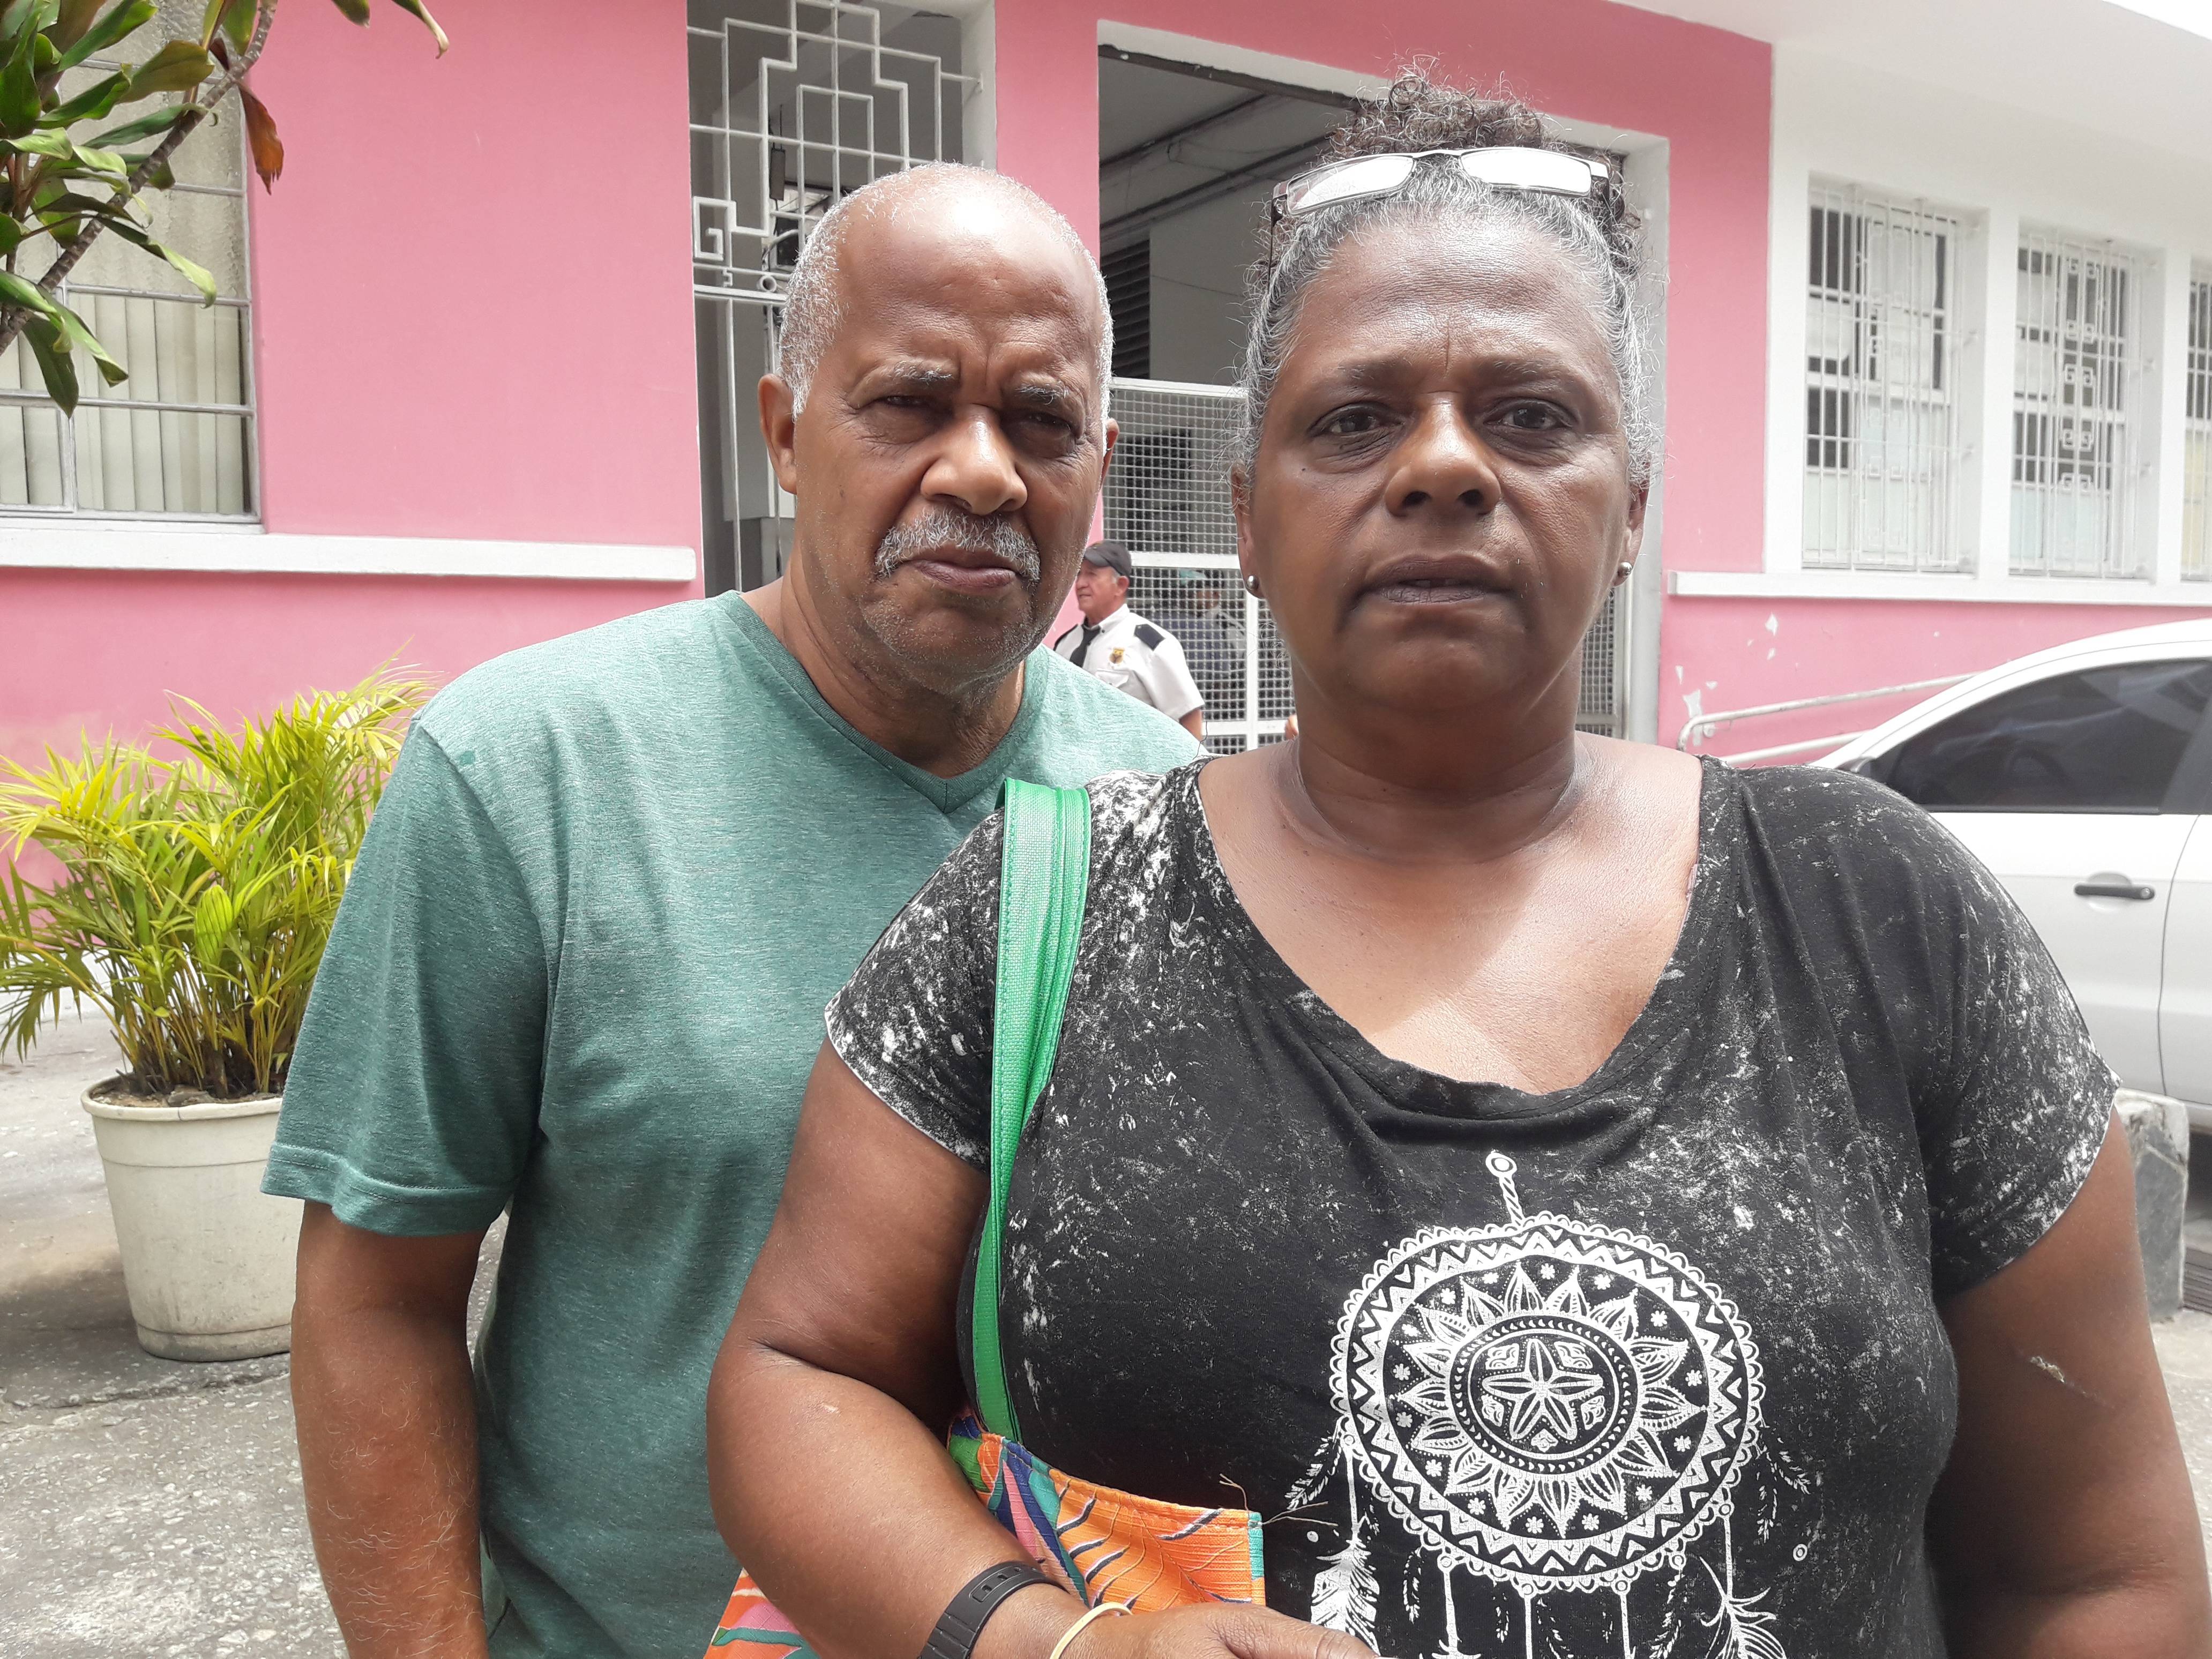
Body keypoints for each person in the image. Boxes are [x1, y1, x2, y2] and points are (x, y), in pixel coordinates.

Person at [705, 74, 2211, 1659]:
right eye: (1352, 421)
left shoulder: (1881, 915)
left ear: (1628, 508)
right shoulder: (1044, 912)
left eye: (1529, 415)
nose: (1439, 466)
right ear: (1247, 511)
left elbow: (2092, 1578)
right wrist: (1050, 1645)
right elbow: (798, 1379)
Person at [263, 162, 1200, 1659]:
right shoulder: (527, 773)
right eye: (907, 402)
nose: (980, 470)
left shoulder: (1163, 806)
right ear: (783, 433)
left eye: (1042, 422)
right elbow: (377, 1297)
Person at [1052, 541, 1207, 738]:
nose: (1081, 583)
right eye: (1079, 574)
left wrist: (1192, 767)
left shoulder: (1148, 644)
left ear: (1121, 585)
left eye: (1091, 574)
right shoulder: (1066, 645)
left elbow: (1189, 715)